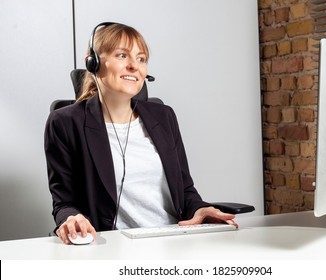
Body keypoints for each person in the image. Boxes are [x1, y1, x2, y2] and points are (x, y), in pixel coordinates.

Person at [44, 22, 236, 244]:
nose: (134, 66)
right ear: (93, 61)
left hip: (175, 243)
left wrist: (201, 209)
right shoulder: (65, 123)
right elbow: (64, 202)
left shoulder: (164, 117)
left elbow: (185, 189)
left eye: (141, 58)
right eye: (122, 55)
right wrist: (71, 219)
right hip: (113, 248)